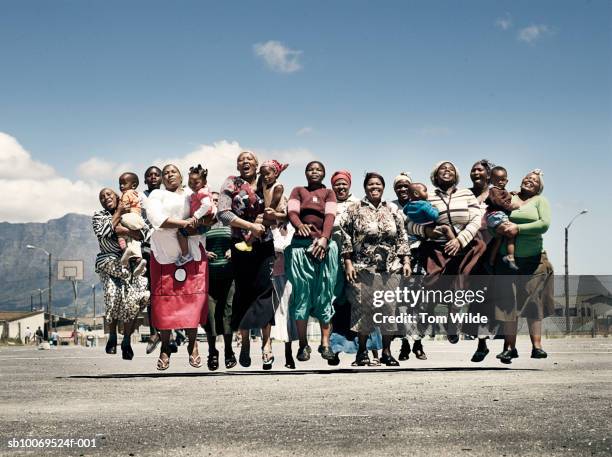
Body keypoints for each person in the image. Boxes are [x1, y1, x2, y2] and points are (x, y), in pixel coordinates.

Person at [406, 161, 486, 343]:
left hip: (463, 246)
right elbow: (409, 223)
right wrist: (426, 232)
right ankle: (423, 323)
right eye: (442, 168)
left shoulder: (466, 194)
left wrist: (459, 240)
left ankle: (453, 324)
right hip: (436, 247)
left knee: (459, 285)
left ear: (456, 175)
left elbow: (476, 220)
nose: (447, 170)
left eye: (451, 168)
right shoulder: (428, 196)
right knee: (432, 283)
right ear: (435, 175)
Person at [340, 172, 412, 366]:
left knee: (389, 309)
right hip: (363, 267)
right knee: (365, 309)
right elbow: (345, 236)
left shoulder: (393, 209)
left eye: (378, 184)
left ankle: (387, 352)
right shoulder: (353, 209)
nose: (374, 187)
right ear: (365, 187)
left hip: (390, 267)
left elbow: (402, 237)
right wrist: (347, 262)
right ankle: (362, 351)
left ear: (383, 187)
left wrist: (406, 261)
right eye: (371, 184)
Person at [145, 164, 211, 370]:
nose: (169, 174)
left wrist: (199, 222)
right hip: (163, 254)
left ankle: (193, 345)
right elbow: (156, 220)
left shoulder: (193, 193)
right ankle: (165, 347)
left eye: (173, 171)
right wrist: (184, 224)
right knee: (164, 304)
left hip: (192, 253)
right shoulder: (156, 194)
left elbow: (209, 214)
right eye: (165, 173)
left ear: (181, 176)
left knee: (193, 300)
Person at [217, 151, 278, 369]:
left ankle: (266, 344)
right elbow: (222, 213)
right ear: (237, 165)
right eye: (241, 159)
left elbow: (279, 208)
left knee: (265, 293)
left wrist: (271, 217)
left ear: (257, 164)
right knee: (243, 294)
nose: (245, 162)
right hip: (239, 245)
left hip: (265, 245)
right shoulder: (231, 182)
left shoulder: (266, 181)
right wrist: (250, 226)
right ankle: (244, 344)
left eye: (250, 159)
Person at [493, 169, 553, 364]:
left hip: (533, 260)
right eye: (527, 178)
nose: (530, 181)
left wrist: (518, 228)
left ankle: (537, 347)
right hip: (507, 260)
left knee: (533, 301)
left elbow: (544, 224)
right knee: (508, 303)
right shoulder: (509, 197)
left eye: (534, 180)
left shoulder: (540, 201)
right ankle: (509, 348)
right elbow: (494, 213)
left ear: (539, 187)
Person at [327, 170, 383, 366]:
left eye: (344, 183)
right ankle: (335, 349)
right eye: (337, 184)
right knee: (339, 304)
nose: (340, 187)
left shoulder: (359, 204)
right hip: (334, 261)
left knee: (365, 304)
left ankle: (371, 351)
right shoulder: (328, 203)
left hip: (359, 262)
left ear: (350, 185)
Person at [284, 161, 339, 362]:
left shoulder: (329, 193)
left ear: (324, 173)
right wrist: (299, 226)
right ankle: (303, 345)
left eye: (318, 169)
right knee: (302, 296)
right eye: (310, 169)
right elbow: (292, 212)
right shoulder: (298, 190)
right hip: (300, 249)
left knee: (325, 295)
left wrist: (324, 238)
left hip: (325, 248)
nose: (314, 172)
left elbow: (330, 215)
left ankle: (325, 344)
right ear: (305, 173)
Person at [92, 188, 150, 360]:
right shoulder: (98, 216)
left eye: (108, 194)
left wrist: (123, 230)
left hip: (132, 262)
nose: (105, 198)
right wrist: (117, 214)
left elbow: (143, 234)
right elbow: (103, 233)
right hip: (109, 261)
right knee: (113, 296)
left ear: (117, 196)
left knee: (134, 299)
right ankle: (112, 336)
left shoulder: (132, 211)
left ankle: (126, 340)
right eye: (101, 196)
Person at [203, 191, 237, 370]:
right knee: (210, 316)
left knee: (227, 314)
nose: (215, 203)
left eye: (218, 201)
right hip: (208, 278)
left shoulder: (230, 221)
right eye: (212, 200)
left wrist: (233, 250)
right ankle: (212, 351)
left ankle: (229, 351)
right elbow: (194, 245)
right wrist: (203, 253)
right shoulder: (203, 223)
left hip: (229, 276)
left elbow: (241, 241)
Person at [236, 159, 289, 252]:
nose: (265, 177)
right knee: (260, 222)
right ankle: (251, 242)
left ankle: (249, 243)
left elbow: (274, 203)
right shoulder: (265, 183)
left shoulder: (278, 187)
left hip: (278, 212)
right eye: (263, 174)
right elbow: (264, 176)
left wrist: (266, 214)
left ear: (276, 174)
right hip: (270, 211)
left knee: (259, 220)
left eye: (267, 174)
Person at [270, 222, 299, 369]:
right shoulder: (270, 227)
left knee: (287, 313)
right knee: (269, 313)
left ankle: (289, 353)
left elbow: (285, 246)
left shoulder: (294, 227)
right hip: (271, 274)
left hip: (290, 274)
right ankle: (267, 352)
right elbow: (280, 246)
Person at [176, 164, 216, 266]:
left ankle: (186, 255)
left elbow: (207, 205)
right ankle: (196, 258)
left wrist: (196, 216)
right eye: (190, 182)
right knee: (195, 240)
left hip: (202, 222)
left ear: (204, 182)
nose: (193, 185)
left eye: (196, 182)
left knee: (181, 233)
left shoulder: (202, 192)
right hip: (202, 222)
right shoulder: (201, 191)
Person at [486, 166, 519, 270]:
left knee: (499, 239)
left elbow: (505, 196)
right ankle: (510, 257)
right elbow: (499, 201)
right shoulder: (493, 190)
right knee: (511, 233)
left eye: (502, 180)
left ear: (507, 180)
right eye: (496, 180)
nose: (500, 182)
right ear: (491, 180)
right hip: (496, 215)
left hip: (497, 216)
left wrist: (511, 193)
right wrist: (511, 207)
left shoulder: (502, 190)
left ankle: (491, 261)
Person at [117, 172, 147, 275]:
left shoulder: (126, 194)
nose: (121, 186)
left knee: (117, 223)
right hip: (137, 219)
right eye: (120, 184)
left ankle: (124, 249)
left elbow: (124, 208)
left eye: (124, 183)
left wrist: (118, 213)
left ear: (133, 185)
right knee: (133, 240)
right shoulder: (135, 194)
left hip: (131, 217)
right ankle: (139, 259)